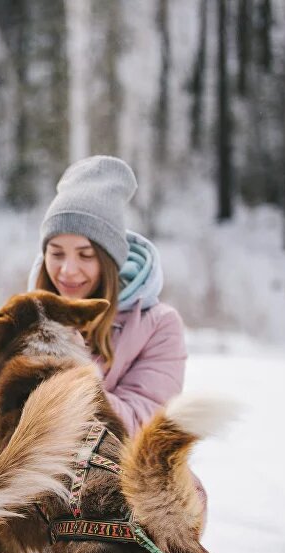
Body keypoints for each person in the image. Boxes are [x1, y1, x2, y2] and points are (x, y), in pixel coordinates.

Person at [25, 155, 187, 435]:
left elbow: (143, 427)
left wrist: (71, 370)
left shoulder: (159, 325)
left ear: (109, 260)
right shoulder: (28, 319)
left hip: (121, 474)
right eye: (56, 253)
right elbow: (1, 432)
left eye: (85, 255)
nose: (68, 270)